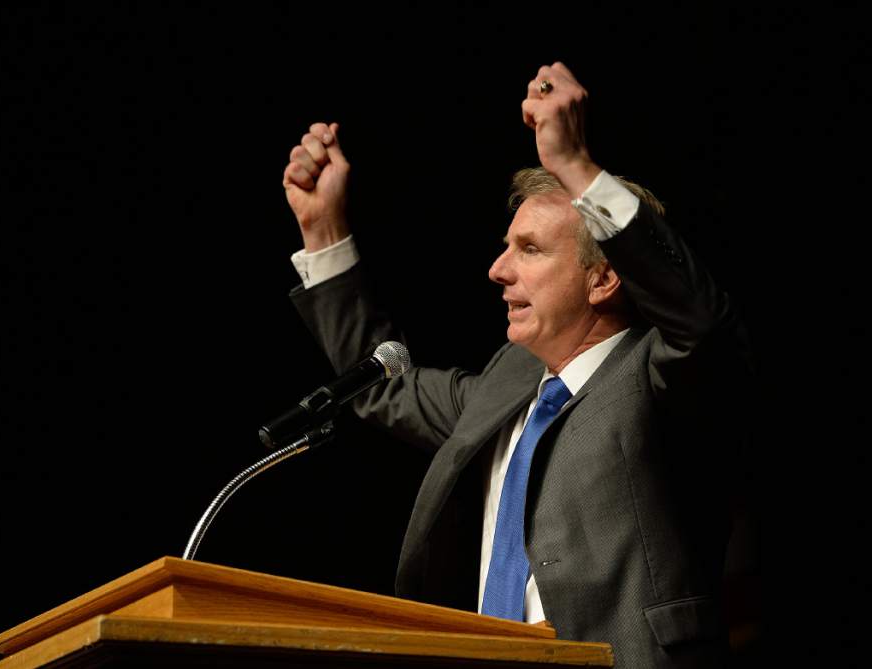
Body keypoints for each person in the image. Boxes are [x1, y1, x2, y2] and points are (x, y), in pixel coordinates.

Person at [281, 62, 752, 668]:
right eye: (507, 248)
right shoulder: (509, 378)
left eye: (529, 250)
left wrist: (577, 166)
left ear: (604, 275)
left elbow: (702, 321)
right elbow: (375, 386)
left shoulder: (668, 375)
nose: (497, 271)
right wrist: (323, 230)